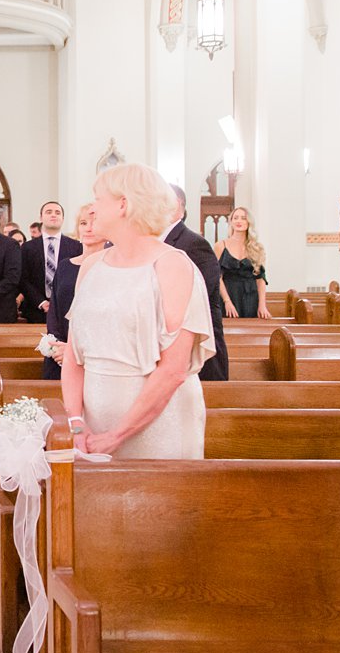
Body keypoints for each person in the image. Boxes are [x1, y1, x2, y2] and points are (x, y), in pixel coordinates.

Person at [62, 164, 214, 458]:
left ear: (123, 204)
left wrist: (117, 436)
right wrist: (76, 422)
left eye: (98, 199)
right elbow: (73, 354)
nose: (91, 209)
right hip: (93, 428)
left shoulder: (172, 266)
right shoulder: (92, 266)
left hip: (158, 430)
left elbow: (173, 370)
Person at [165, 185, 229, 382]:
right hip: (170, 348)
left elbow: (199, 295)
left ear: (178, 207)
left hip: (199, 351)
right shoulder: (155, 242)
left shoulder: (194, 243)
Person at [43, 204, 103, 379]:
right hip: (59, 352)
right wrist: (58, 346)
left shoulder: (110, 266)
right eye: (83, 223)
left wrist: (73, 350)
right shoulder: (65, 266)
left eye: (94, 223)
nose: (88, 228)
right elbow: (54, 311)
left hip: (91, 354)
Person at [21, 201, 84, 326]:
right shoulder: (27, 247)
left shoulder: (76, 247)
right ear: (41, 218)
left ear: (62, 218)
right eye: (48, 212)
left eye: (57, 212)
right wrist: (41, 302)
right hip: (35, 311)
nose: (53, 215)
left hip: (67, 309)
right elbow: (23, 279)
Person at [215, 207, 271, 319]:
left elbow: (260, 279)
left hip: (250, 296)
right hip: (228, 294)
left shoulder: (257, 248)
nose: (239, 221)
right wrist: (227, 301)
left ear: (249, 222)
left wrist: (262, 305)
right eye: (235, 218)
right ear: (231, 222)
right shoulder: (220, 245)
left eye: (243, 218)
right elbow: (217, 276)